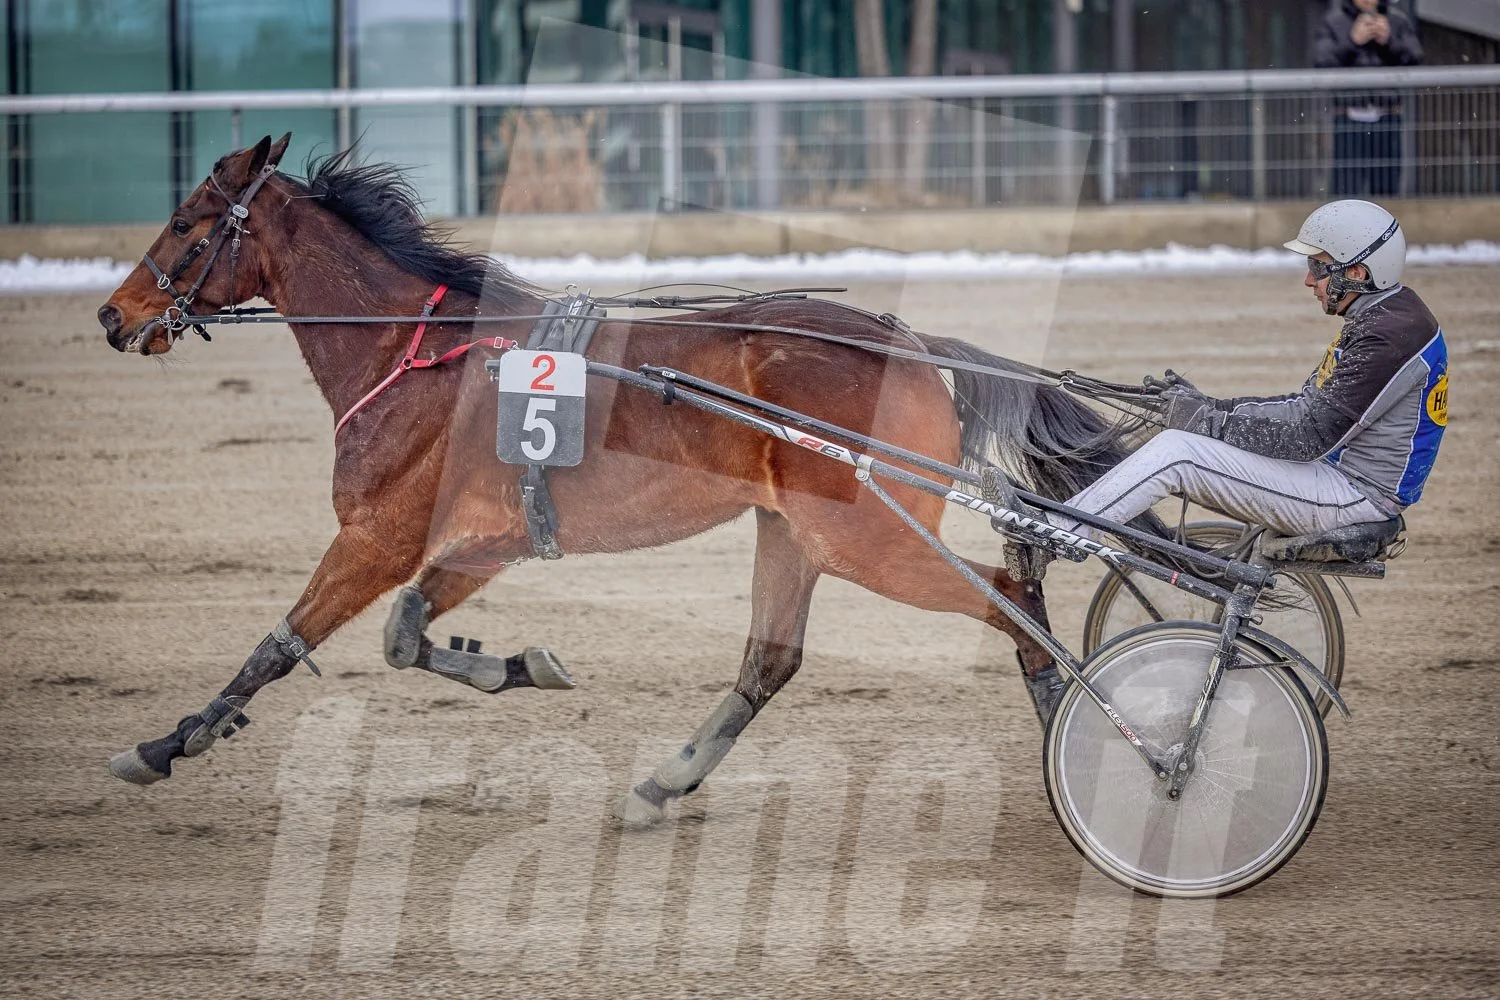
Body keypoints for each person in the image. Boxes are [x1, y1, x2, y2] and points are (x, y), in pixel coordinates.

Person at [1051, 199, 1448, 546]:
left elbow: (1308, 437)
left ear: (1358, 273)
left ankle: (1056, 533)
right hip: (1334, 474)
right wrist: (1210, 407)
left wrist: (1207, 424)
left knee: (1177, 454)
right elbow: (1302, 408)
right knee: (1180, 443)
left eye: (1318, 267)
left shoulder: (1388, 336)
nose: (1309, 280)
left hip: (1356, 496)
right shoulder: (1385, 318)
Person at [1314, 0, 1424, 197]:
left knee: (1386, 184)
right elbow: (1322, 60)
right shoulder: (1334, 21)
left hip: (1387, 115)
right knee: (1345, 186)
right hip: (1348, 116)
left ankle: (1382, 227)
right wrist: (1352, 41)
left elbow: (1414, 57)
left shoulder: (1397, 20)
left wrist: (1389, 41)